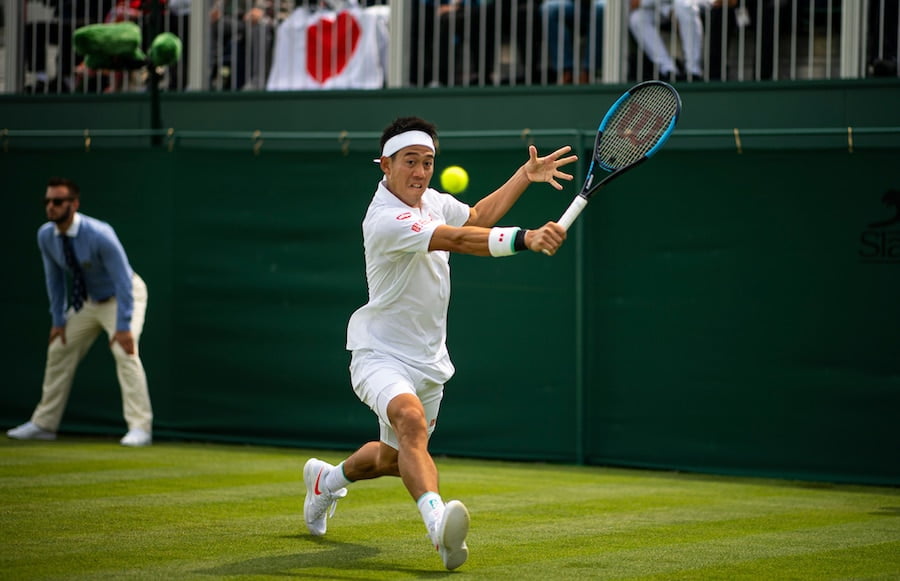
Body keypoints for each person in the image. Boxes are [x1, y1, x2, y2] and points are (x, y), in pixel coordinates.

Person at [302, 116, 577, 570]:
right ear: (385, 165)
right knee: (410, 423)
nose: (421, 172)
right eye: (410, 162)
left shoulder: (431, 200)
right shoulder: (384, 219)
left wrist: (523, 177)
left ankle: (325, 482)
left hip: (429, 361)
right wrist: (526, 238)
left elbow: (475, 217)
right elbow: (457, 239)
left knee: (393, 458)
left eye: (428, 162)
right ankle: (438, 529)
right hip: (379, 352)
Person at [7, 178, 153, 447]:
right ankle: (44, 424)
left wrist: (123, 327)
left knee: (125, 352)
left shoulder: (100, 234)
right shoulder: (46, 235)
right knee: (58, 349)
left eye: (58, 201)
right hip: (87, 302)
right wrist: (58, 320)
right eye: (47, 201)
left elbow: (123, 280)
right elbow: (54, 280)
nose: (51, 207)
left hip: (123, 297)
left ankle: (140, 428)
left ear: (74, 205)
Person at [629, 0, 706, 80]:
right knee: (637, 19)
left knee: (683, 5)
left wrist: (643, 2)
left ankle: (693, 70)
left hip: (696, 4)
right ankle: (669, 70)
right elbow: (633, 4)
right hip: (662, 6)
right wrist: (668, 11)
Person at [541, 0, 606, 84]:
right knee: (548, 8)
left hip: (601, 4)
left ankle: (588, 72)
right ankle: (566, 71)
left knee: (601, 8)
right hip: (574, 4)